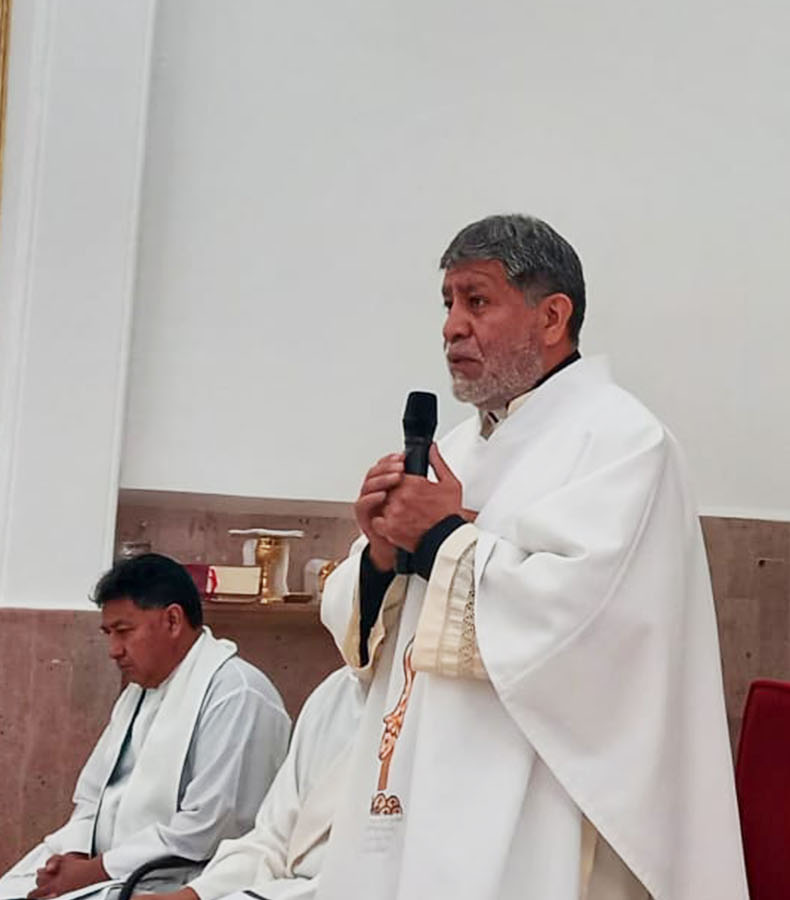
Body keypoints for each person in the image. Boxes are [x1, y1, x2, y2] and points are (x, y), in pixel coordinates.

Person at [315, 214, 747, 900]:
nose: (452, 327)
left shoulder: (623, 442)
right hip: (423, 787)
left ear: (552, 317)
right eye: (448, 303)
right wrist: (382, 555)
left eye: (477, 301)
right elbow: (374, 629)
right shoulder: (457, 449)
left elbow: (584, 623)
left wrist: (439, 538)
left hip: (539, 802)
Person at [0, 555, 291, 900]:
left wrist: (92, 872)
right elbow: (94, 795)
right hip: (105, 867)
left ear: (172, 620)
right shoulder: (139, 692)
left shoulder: (238, 694)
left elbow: (209, 829)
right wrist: (74, 855)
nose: (113, 651)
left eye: (124, 632)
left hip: (175, 881)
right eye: (108, 634)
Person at [131, 667, 365, 900]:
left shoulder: (239, 691)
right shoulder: (333, 694)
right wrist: (192, 895)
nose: (115, 652)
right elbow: (271, 839)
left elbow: (369, 879)